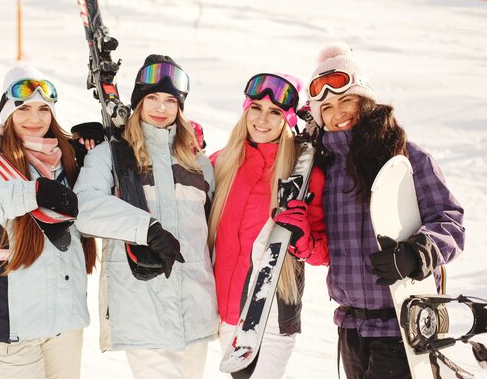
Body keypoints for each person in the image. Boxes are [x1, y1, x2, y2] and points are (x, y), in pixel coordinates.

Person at [306, 42, 465, 379]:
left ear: (365, 101)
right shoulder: (325, 169)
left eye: (347, 100)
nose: (338, 113)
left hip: (402, 323)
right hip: (351, 325)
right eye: (328, 107)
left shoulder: (405, 157)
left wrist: (415, 254)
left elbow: (450, 221)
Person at [0, 65, 97, 379]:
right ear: (7, 114)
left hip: (64, 323)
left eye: (44, 109)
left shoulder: (67, 160)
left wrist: (102, 143)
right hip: (12, 327)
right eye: (23, 108)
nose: (35, 118)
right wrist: (32, 193)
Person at [73, 54, 218, 379]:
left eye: (170, 100)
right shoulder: (111, 154)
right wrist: (146, 228)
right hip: (141, 305)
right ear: (138, 101)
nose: (161, 107)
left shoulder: (197, 163)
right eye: (151, 97)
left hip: (195, 308)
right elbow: (84, 208)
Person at [208, 73, 328, 378]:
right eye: (256, 108)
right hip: (227, 312)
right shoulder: (221, 163)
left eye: (274, 112)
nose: (262, 120)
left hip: (271, 313)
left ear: (287, 119)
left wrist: (301, 238)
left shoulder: (303, 177)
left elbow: (322, 253)